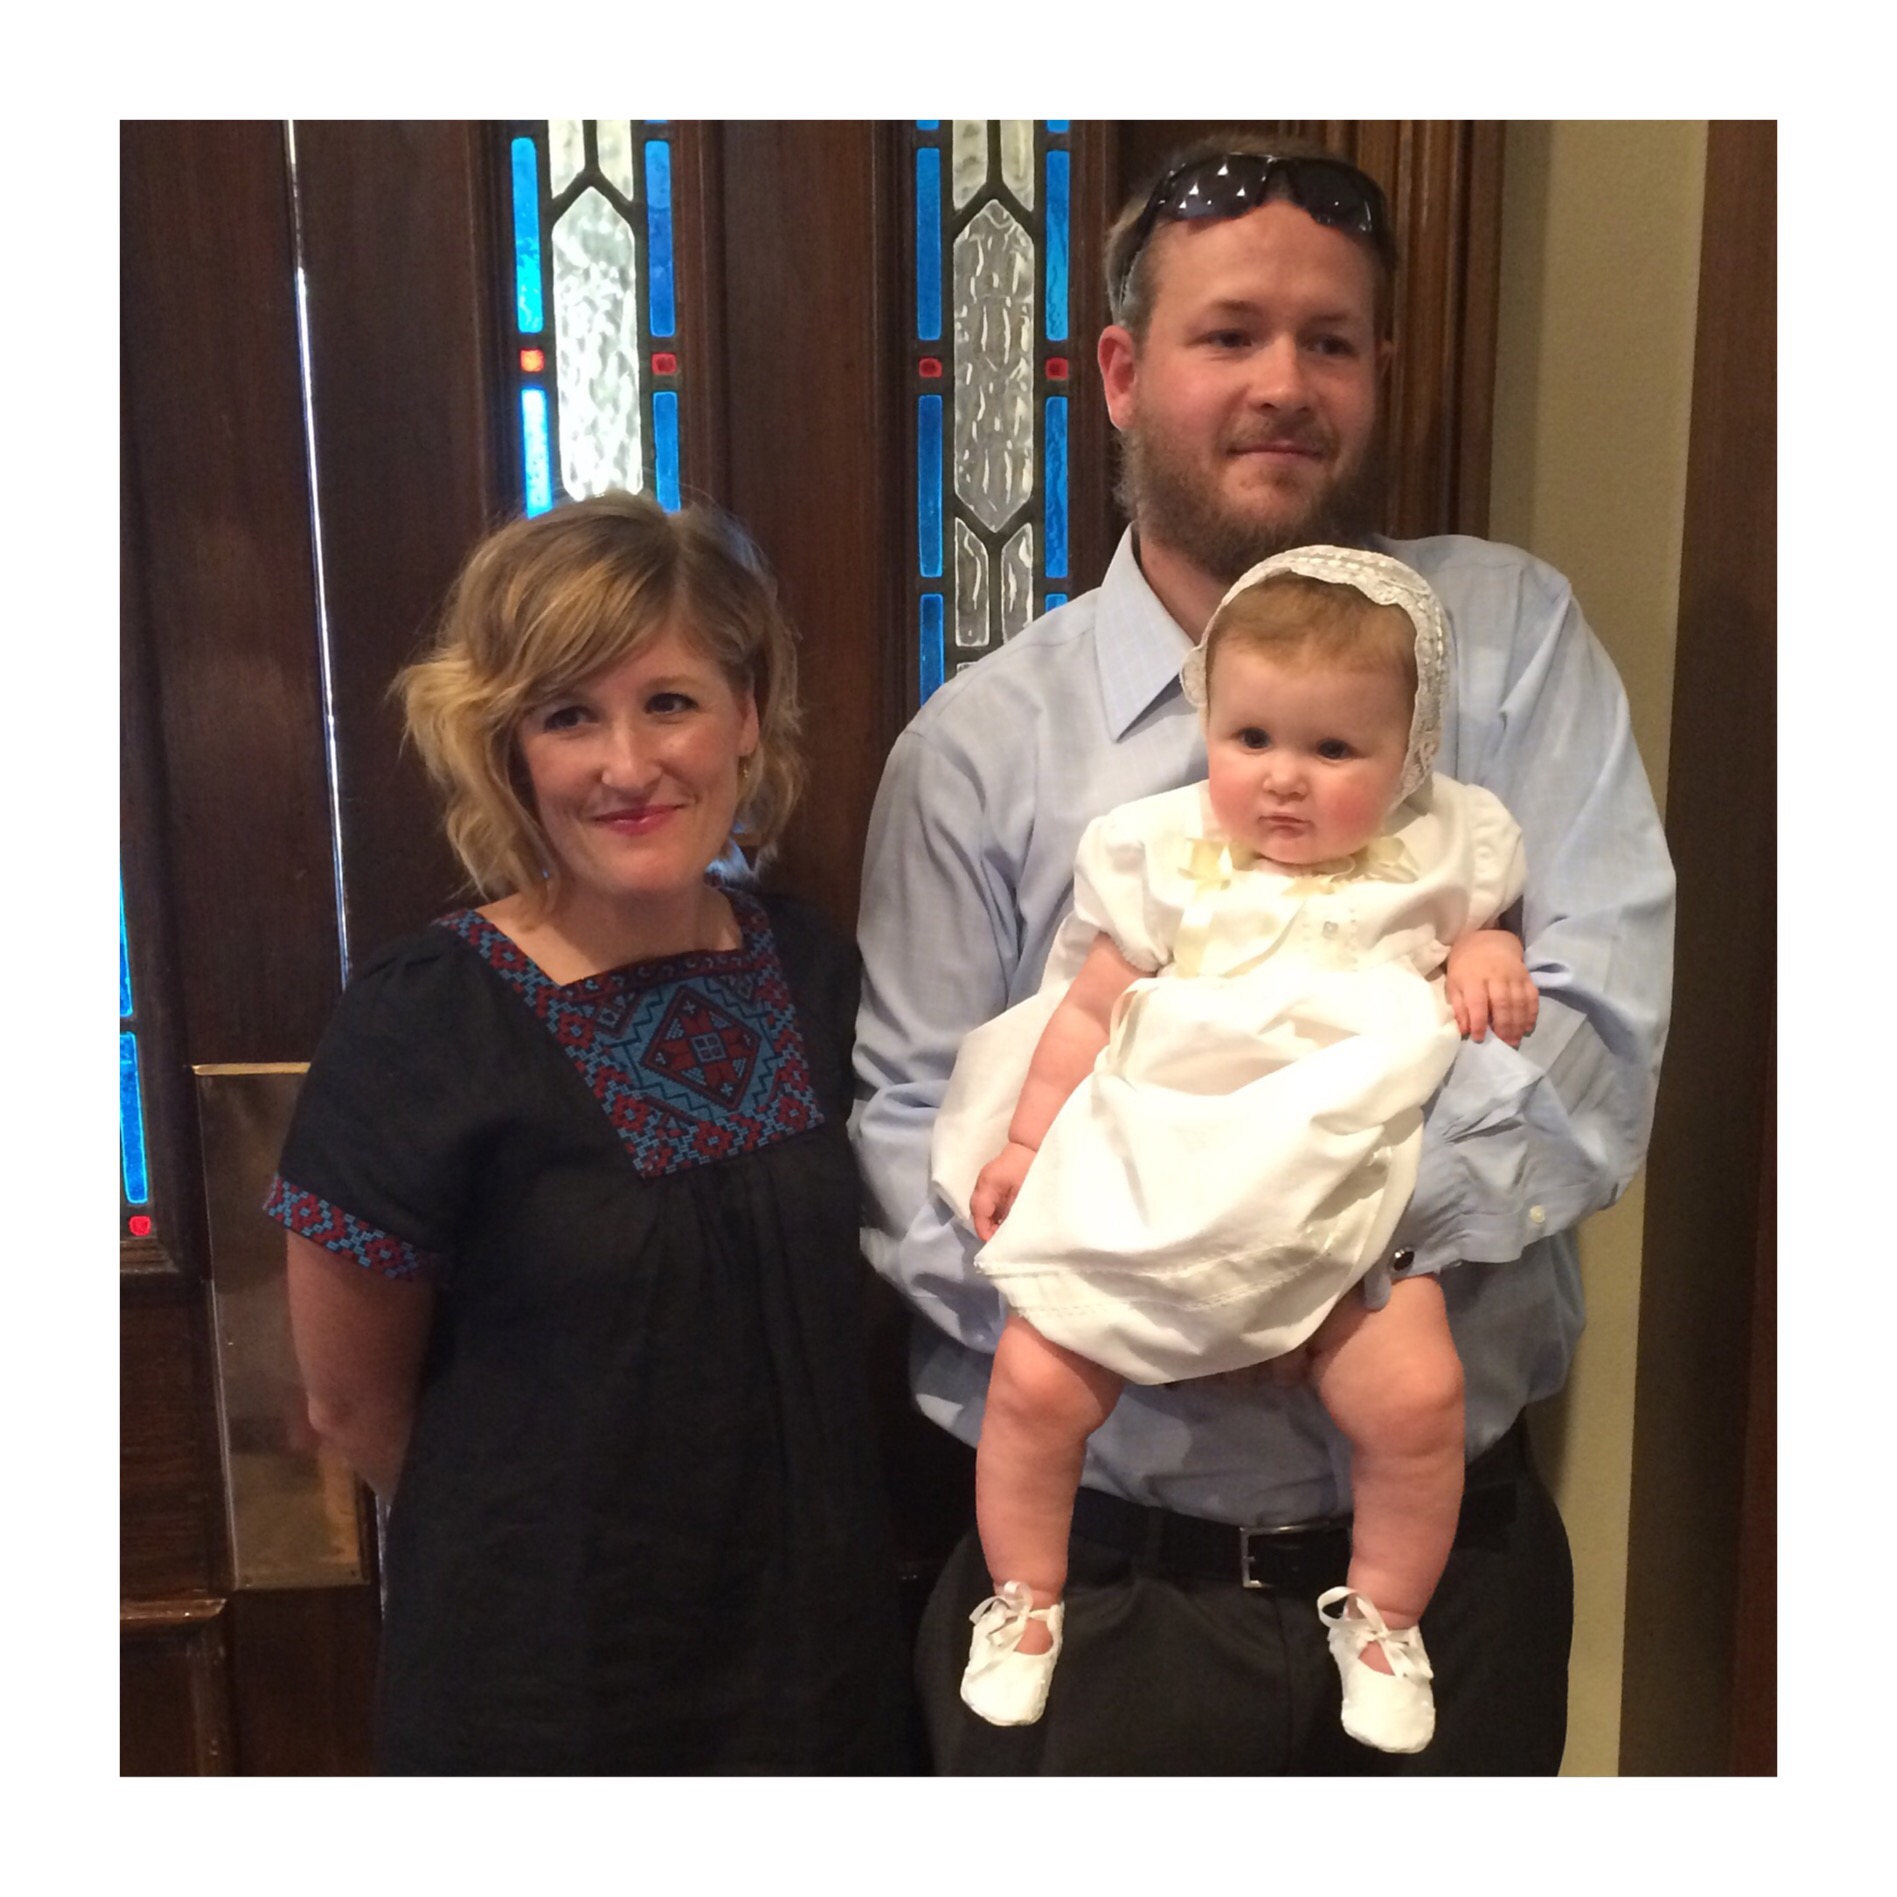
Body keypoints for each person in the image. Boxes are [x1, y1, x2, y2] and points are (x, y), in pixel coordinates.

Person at [852, 136, 1676, 1775]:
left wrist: (1307, 1258)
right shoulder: (980, 749)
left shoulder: (1508, 652)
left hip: (1451, 1587)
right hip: (1104, 1603)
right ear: (1118, 371)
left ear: (1378, 372)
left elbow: (1592, 1034)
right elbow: (911, 1147)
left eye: (1330, 340)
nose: (1284, 384)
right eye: (1228, 333)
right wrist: (1163, 1293)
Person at [268, 491, 911, 1774]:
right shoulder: (422, 1020)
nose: (626, 765)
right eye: (568, 715)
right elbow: (351, 1403)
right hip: (541, 1699)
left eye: (668, 701)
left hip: (818, 1676)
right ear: (510, 749)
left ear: (744, 713)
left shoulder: (813, 968)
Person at [937, 547, 1537, 1754]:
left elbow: (1484, 927)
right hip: (1155, 1173)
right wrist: (1025, 1142)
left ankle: (1384, 1616)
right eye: (1250, 737)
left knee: (1417, 1398)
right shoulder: (1161, 852)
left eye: (1334, 749)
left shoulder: (1440, 850)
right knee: (1036, 1382)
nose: (1282, 778)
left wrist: (1486, 951)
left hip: (1340, 1186)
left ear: (1409, 753)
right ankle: (1025, 1596)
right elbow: (1085, 1013)